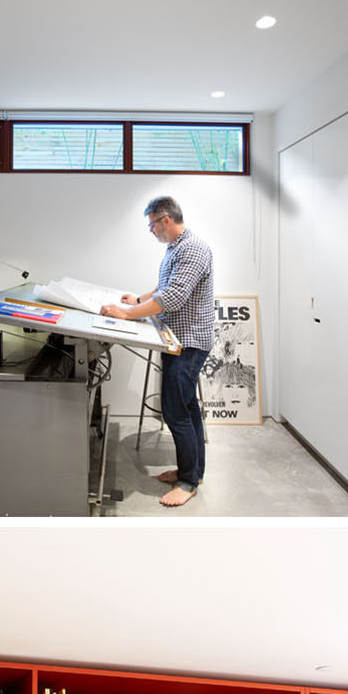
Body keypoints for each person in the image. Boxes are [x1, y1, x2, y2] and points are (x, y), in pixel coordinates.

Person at [101, 196, 214, 508]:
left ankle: (188, 482)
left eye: (152, 224)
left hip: (188, 342)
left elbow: (174, 298)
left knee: (176, 411)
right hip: (176, 339)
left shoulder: (192, 249)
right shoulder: (176, 247)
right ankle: (194, 471)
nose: (151, 231)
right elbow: (165, 286)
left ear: (165, 220)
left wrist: (126, 313)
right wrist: (138, 300)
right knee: (187, 407)